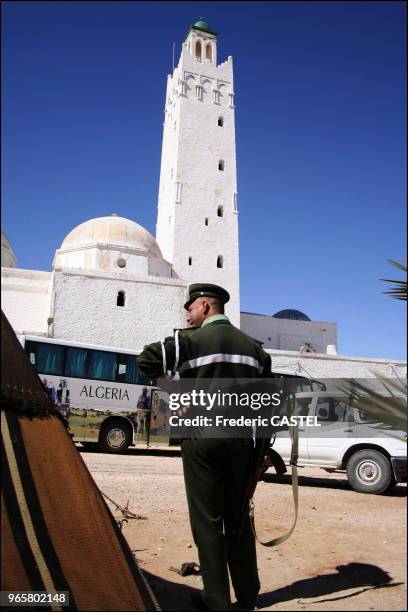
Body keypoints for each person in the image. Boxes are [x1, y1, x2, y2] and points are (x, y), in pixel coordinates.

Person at [137, 283, 271, 611]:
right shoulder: (255, 349)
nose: (187, 315)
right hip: (242, 442)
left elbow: (146, 359)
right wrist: (262, 449)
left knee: (208, 522)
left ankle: (217, 601)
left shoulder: (189, 341)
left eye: (191, 309)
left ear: (205, 307)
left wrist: (175, 393)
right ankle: (249, 596)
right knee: (237, 518)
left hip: (202, 438)